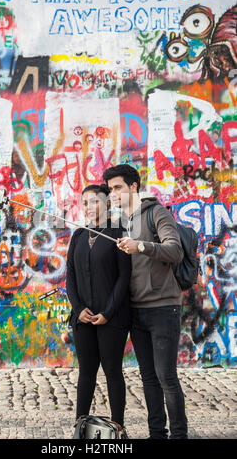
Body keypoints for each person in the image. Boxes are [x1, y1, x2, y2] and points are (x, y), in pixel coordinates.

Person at [103, 164, 188, 440]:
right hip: (136, 311)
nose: (112, 193)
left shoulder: (156, 213)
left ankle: (179, 434)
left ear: (133, 187)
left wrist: (140, 246)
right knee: (148, 377)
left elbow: (174, 250)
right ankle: (157, 434)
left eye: (117, 187)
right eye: (110, 189)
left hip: (163, 308)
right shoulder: (119, 223)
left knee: (166, 377)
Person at [66, 183, 131, 436]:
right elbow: (70, 276)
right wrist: (78, 308)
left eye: (94, 201)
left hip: (112, 318)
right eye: (84, 203)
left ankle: (117, 427)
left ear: (106, 203)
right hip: (82, 317)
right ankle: (80, 426)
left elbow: (123, 278)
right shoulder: (79, 235)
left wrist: (108, 312)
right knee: (86, 372)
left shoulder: (118, 234)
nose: (89, 207)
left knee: (113, 370)